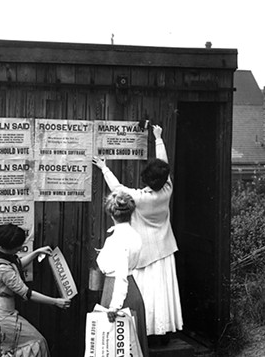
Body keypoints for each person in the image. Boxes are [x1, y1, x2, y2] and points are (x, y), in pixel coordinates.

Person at [93, 124, 183, 345]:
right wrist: (158, 138)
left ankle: (146, 333)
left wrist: (104, 168)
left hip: (144, 254)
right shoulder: (167, 189)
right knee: (163, 294)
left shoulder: (140, 198)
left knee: (147, 295)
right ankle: (164, 333)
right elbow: (165, 165)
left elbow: (117, 188)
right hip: (164, 250)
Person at [0, 223, 72, 357]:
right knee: (36, 342)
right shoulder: (3, 270)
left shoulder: (0, 254)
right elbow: (27, 293)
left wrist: (36, 252)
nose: (21, 247)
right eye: (19, 245)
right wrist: (56, 301)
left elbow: (17, 265)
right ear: (11, 247)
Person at [96, 190, 149, 357]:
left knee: (115, 345)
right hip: (132, 288)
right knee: (130, 346)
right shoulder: (134, 235)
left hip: (117, 292)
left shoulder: (116, 239)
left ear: (112, 214)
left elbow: (120, 274)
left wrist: (114, 306)